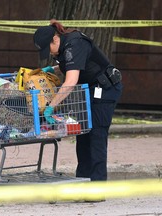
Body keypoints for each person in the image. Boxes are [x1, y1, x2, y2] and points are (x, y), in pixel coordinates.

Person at [33, 19, 123, 182]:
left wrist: (50, 107)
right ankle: (83, 182)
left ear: (55, 38)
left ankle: (97, 186)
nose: (51, 53)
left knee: (96, 137)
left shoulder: (75, 43)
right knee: (83, 137)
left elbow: (70, 81)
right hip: (89, 90)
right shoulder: (64, 46)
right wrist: (51, 70)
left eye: (50, 49)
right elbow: (71, 65)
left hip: (104, 90)